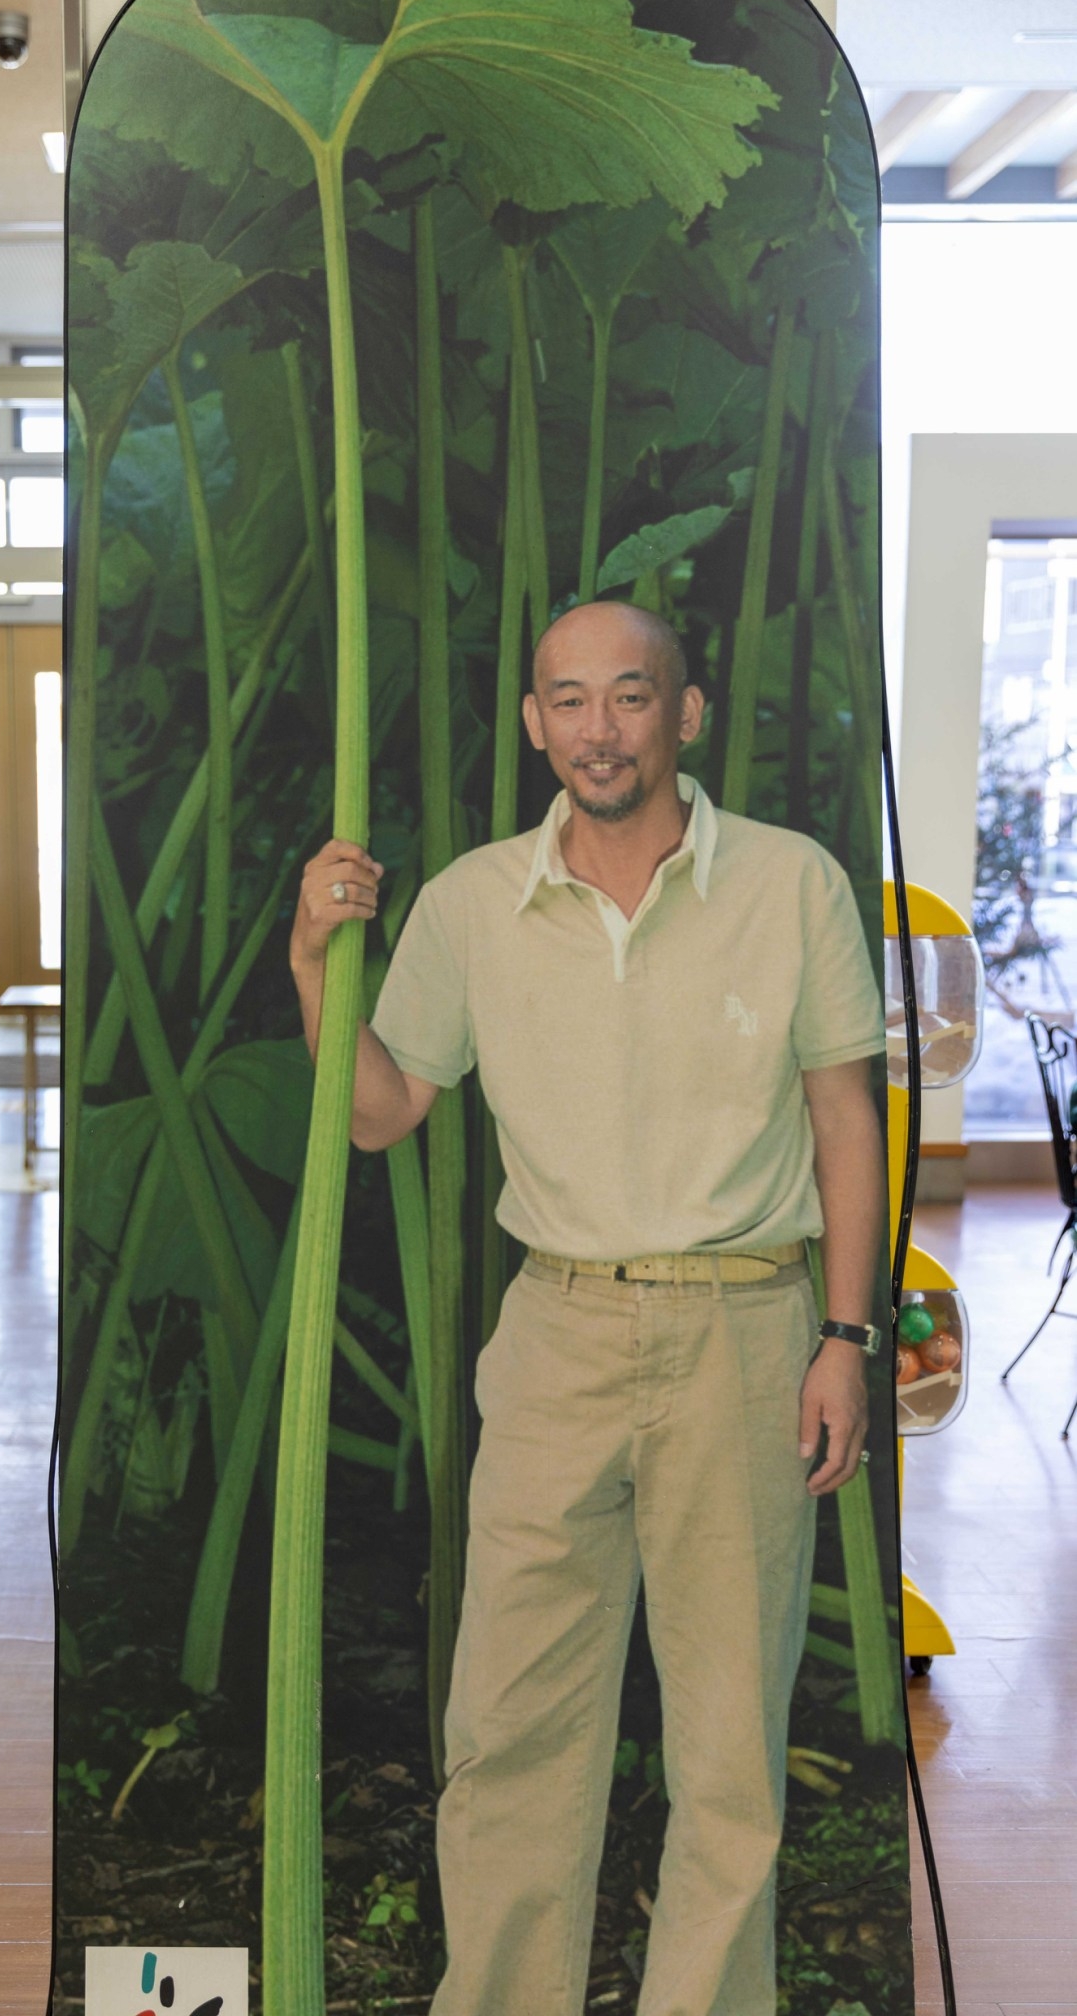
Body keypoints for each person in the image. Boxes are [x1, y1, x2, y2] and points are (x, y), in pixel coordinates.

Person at [289, 602, 886, 2016]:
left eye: (630, 695)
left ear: (686, 713)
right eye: (568, 699)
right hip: (555, 1332)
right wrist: (314, 959)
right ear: (533, 723)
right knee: (511, 1723)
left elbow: (843, 1117)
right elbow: (379, 1110)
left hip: (747, 1327)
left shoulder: (791, 882)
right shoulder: (472, 901)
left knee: (729, 1741)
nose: (598, 728)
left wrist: (846, 1337)